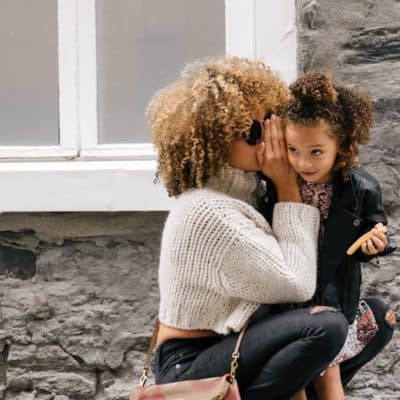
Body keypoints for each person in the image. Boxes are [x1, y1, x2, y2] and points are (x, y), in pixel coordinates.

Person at [146, 56, 349, 400]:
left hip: (230, 348)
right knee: (326, 328)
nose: (267, 139)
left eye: (270, 123)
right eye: (253, 132)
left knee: (372, 317)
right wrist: (288, 187)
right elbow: (296, 282)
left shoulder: (247, 195)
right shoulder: (207, 211)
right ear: (215, 139)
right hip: (189, 364)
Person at [257, 70, 396, 400]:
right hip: (286, 296)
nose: (303, 162)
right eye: (293, 149)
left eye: (316, 151)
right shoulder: (275, 184)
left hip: (333, 296)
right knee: (298, 379)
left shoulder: (361, 188)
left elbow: (373, 230)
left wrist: (374, 245)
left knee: (328, 372)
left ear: (341, 145)